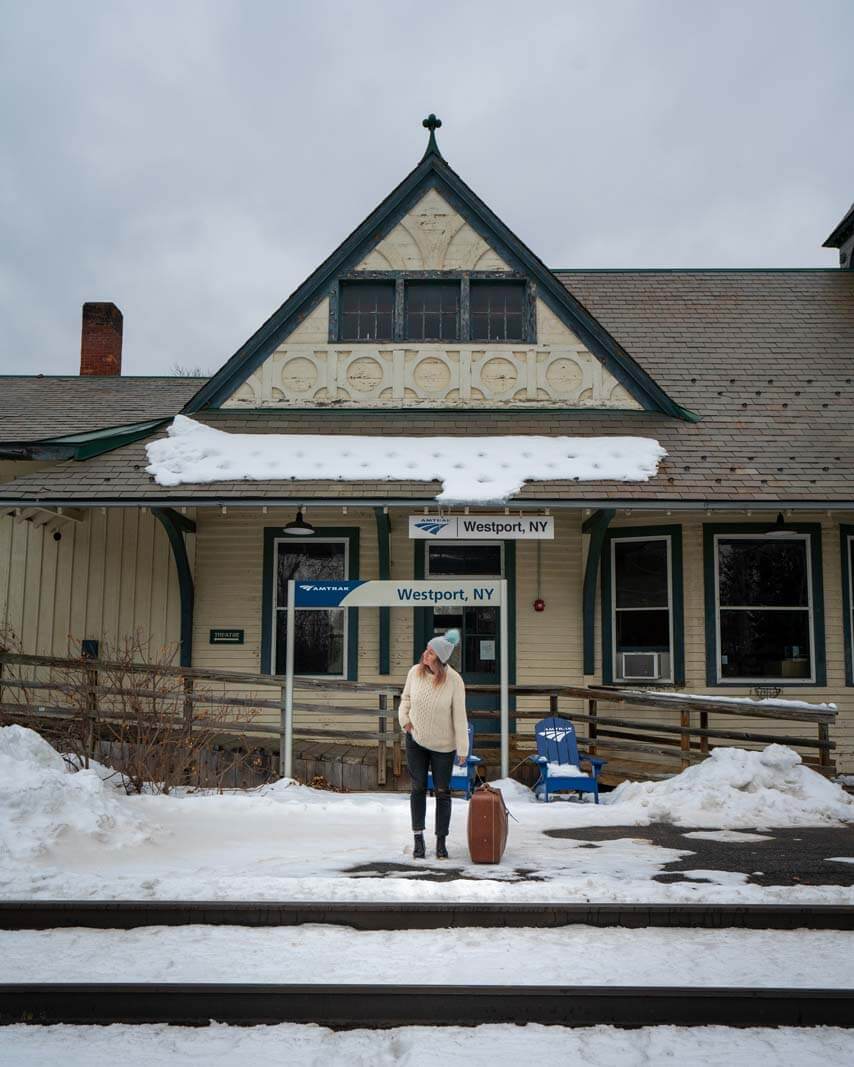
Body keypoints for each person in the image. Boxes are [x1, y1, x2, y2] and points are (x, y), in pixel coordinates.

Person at [398, 628, 469, 860]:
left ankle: (441, 842)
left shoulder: (455, 681)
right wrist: (404, 721)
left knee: (442, 792)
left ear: (439, 658)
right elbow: (405, 699)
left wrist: (462, 748)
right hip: (416, 740)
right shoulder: (414, 673)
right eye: (426, 650)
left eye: (430, 652)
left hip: (443, 746)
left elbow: (459, 715)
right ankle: (418, 840)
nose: (424, 654)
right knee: (418, 788)